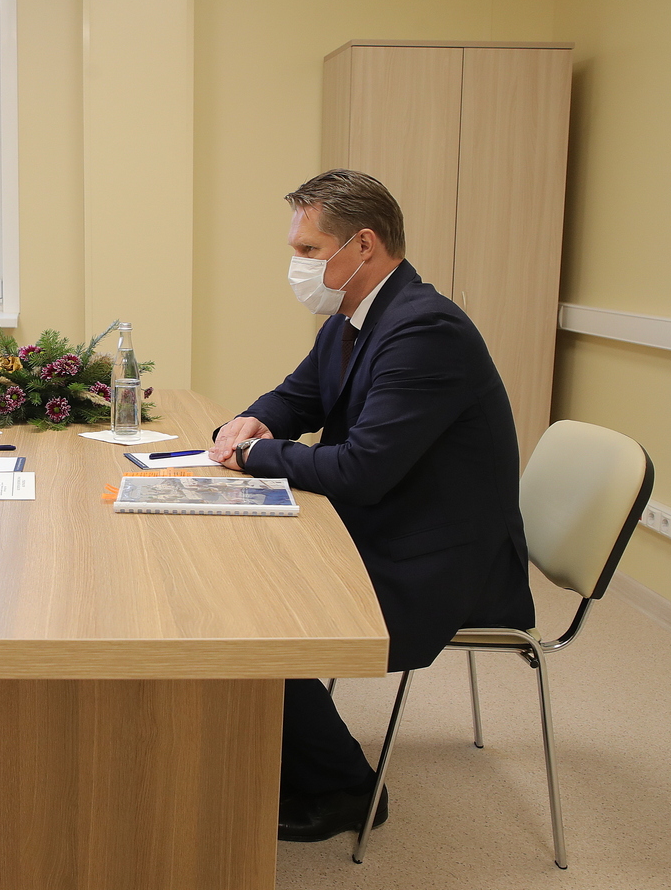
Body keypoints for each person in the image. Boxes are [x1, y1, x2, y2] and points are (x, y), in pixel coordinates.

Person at [209, 169, 535, 843]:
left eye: (309, 250)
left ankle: (345, 791)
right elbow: (297, 397)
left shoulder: (425, 330)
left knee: (247, 607)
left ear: (363, 245)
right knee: (232, 585)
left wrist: (255, 455)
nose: (299, 266)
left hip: (431, 563)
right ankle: (273, 749)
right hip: (388, 526)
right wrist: (253, 421)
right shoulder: (352, 319)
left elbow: (361, 470)